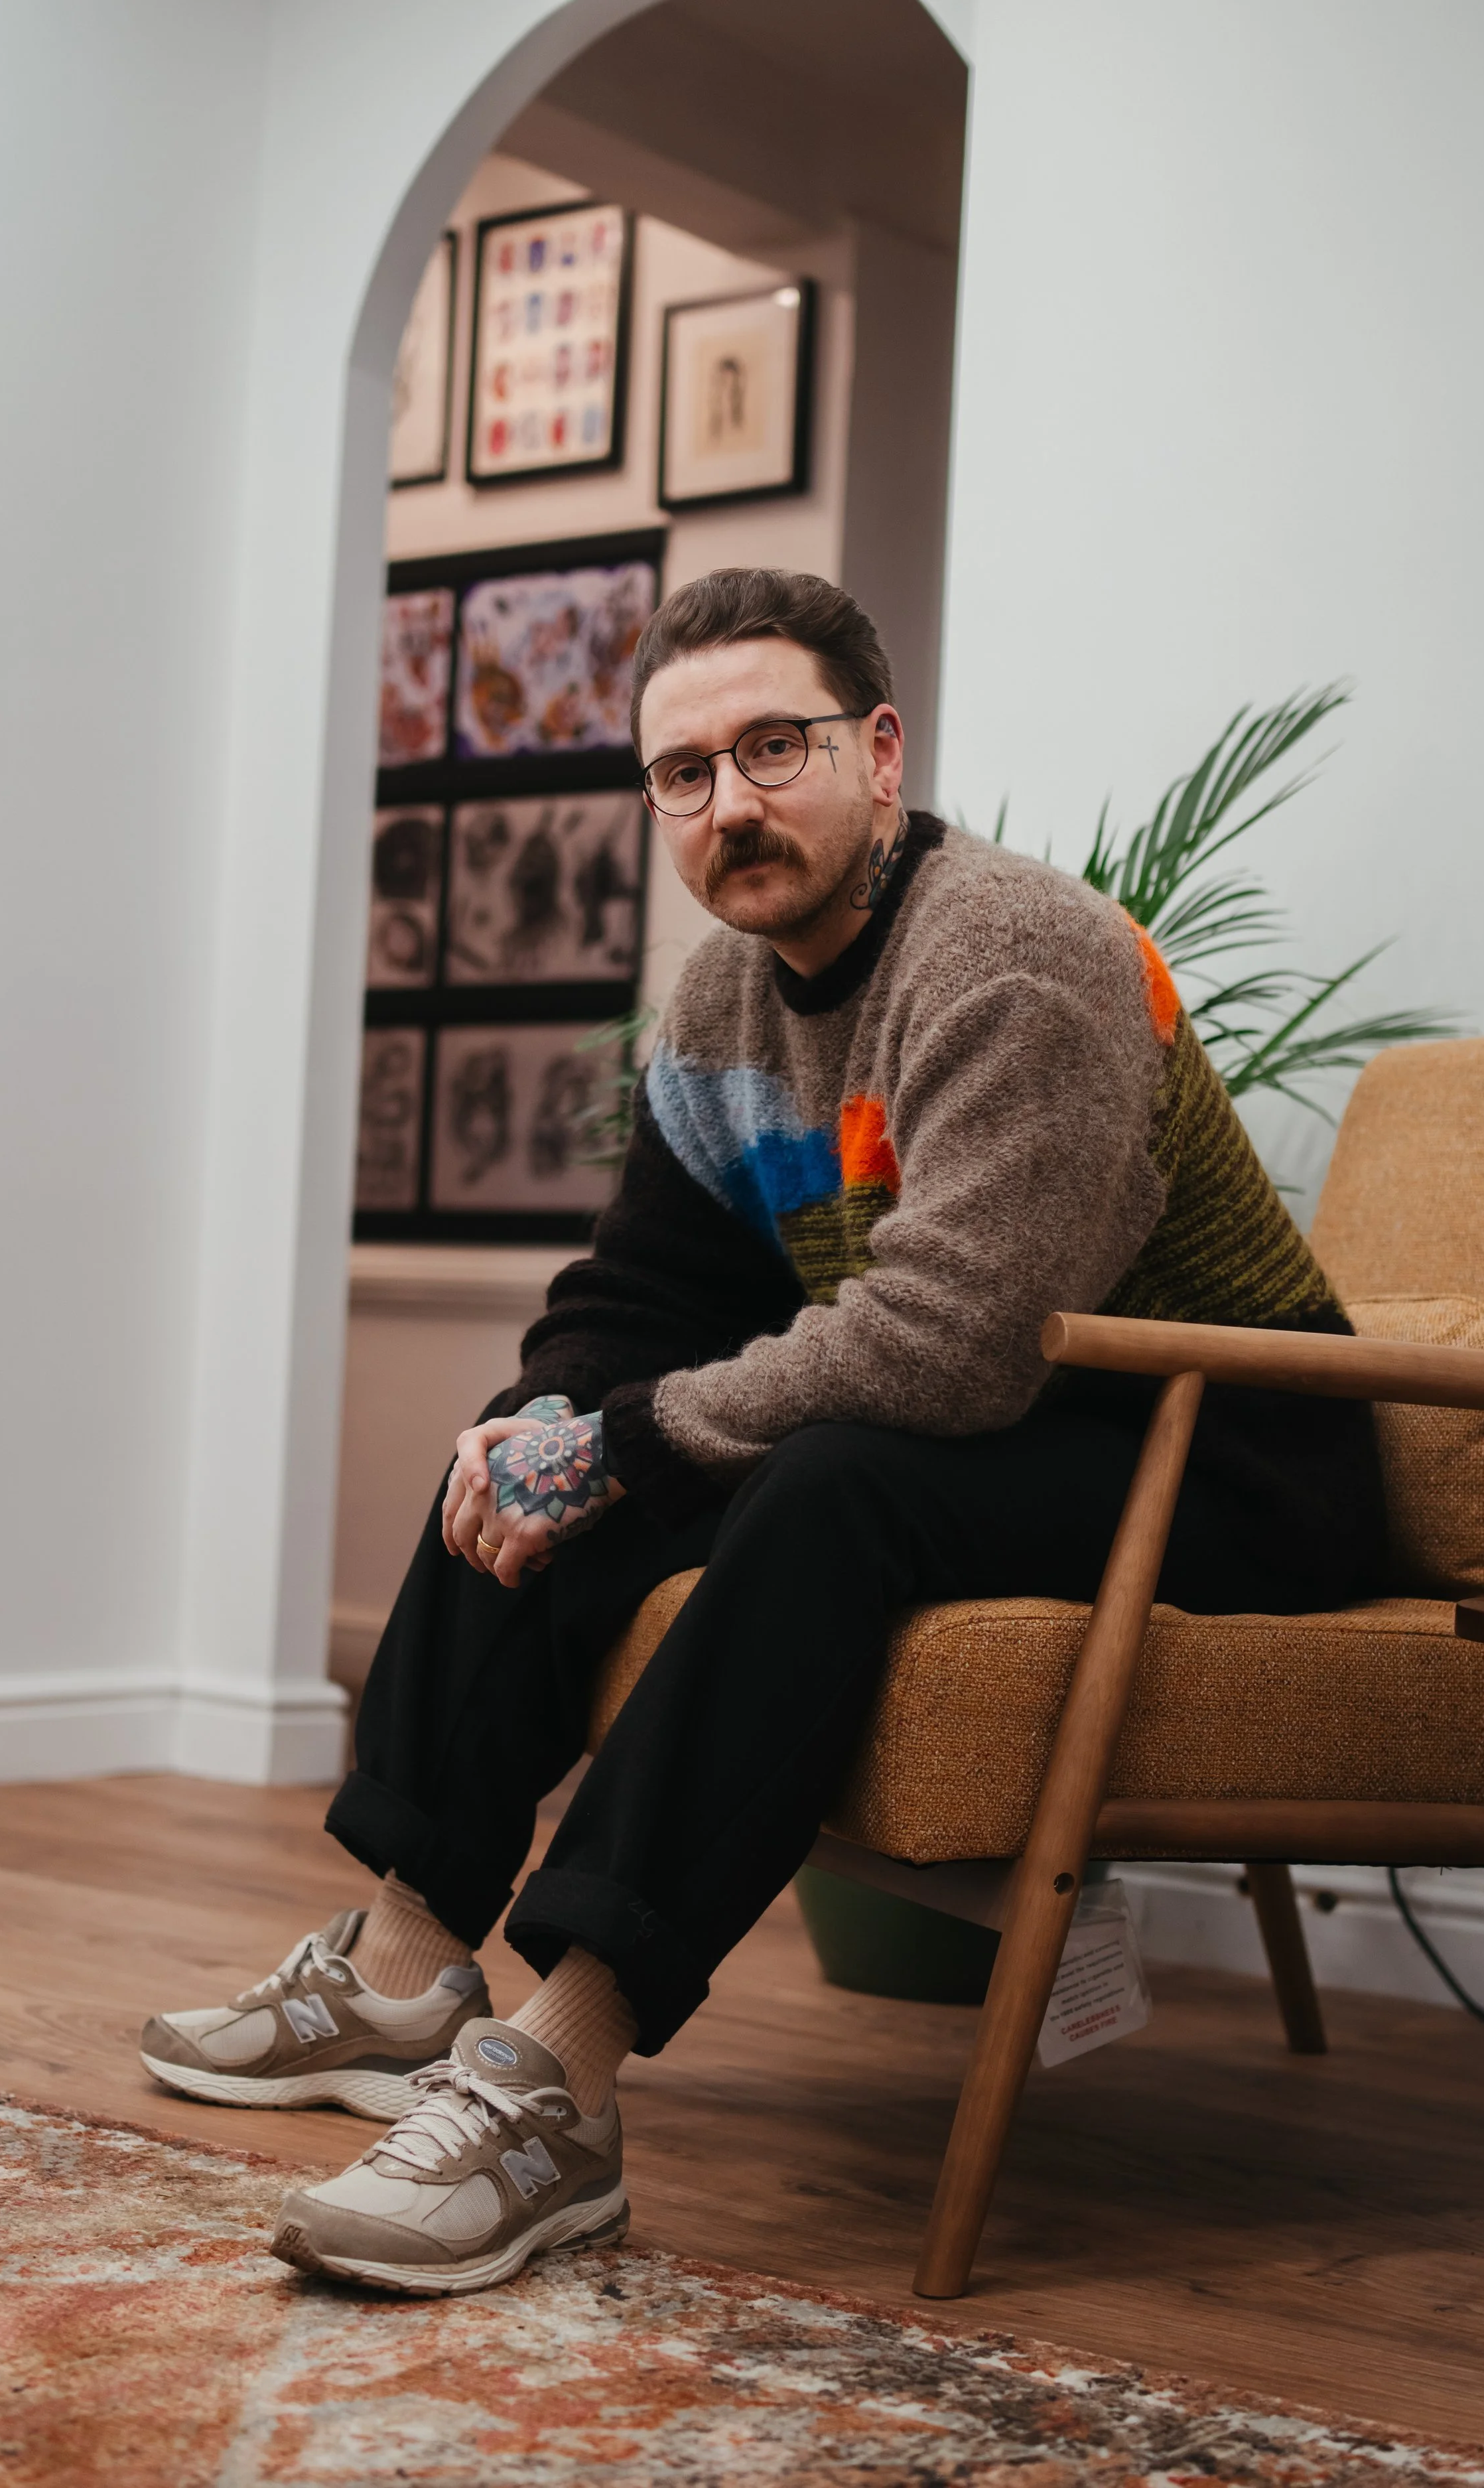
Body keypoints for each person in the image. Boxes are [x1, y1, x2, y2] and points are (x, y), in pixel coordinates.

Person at [141, 568, 1386, 2297]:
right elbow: (634, 1297)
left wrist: (628, 1441)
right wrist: (552, 1423)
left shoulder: (1017, 958)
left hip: (1229, 1458)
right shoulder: (723, 1008)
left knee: (825, 1478)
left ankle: (556, 2084)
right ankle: (406, 1968)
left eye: (774, 746)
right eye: (684, 771)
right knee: (532, 1425)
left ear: (878, 751)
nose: (730, 802)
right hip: (1003, 1439)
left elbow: (951, 1349)